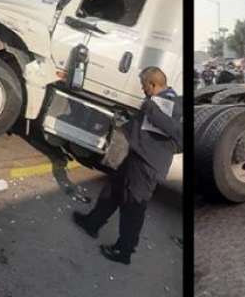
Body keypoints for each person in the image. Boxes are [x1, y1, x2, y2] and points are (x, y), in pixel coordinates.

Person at [73, 66, 182, 265]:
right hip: (136, 157)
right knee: (113, 190)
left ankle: (124, 251)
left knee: (133, 207)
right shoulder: (156, 101)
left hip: (147, 165)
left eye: (143, 85)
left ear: (152, 83)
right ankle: (92, 223)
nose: (142, 89)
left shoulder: (174, 103)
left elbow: (178, 134)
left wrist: (150, 109)